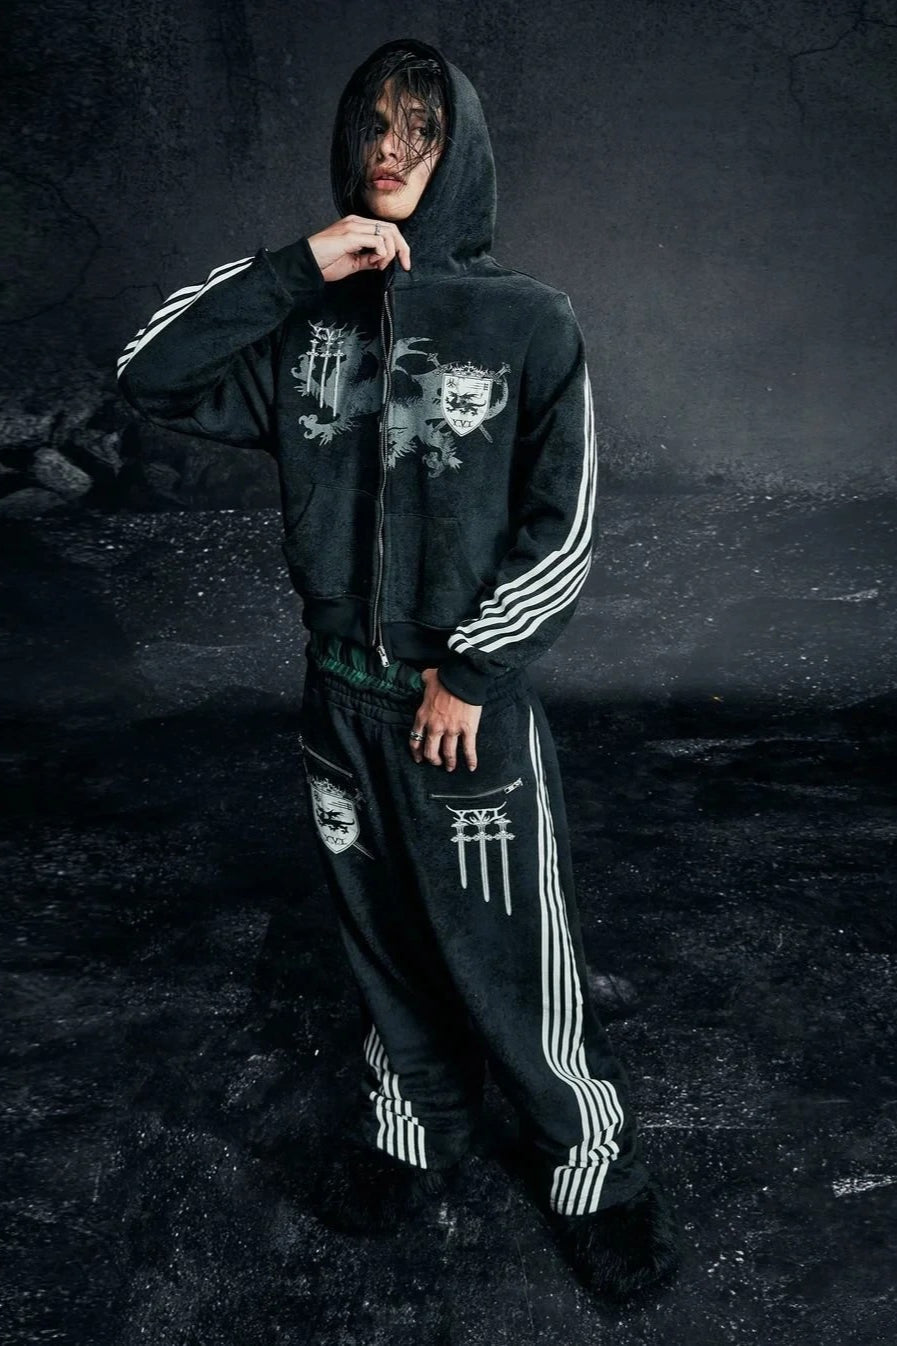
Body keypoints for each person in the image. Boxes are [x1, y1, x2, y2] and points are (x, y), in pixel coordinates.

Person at [116, 37, 681, 1304]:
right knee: (380, 940)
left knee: (510, 950)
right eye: (373, 123)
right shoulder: (303, 318)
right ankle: (408, 1118)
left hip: (457, 708)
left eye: (419, 128)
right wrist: (298, 264)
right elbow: (147, 373)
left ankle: (592, 1163)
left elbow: (565, 526)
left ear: (457, 149)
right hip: (339, 699)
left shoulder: (529, 321)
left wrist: (472, 672)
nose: (389, 147)